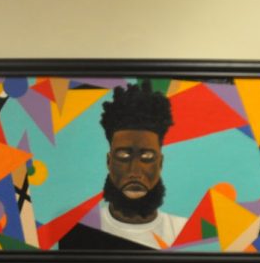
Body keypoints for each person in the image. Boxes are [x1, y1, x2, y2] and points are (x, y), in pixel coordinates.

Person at [57, 82, 185, 250]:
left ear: (160, 163)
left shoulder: (182, 232)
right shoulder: (76, 233)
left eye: (147, 157)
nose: (135, 172)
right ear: (109, 162)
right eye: (123, 156)